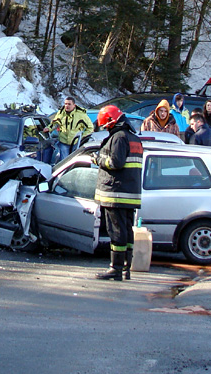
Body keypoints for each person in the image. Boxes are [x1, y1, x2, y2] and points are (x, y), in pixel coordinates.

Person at [92, 106, 144, 282]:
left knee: (116, 232)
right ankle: (125, 269)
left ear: (110, 122)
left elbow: (115, 163)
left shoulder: (118, 138)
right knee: (126, 231)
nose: (106, 129)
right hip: (129, 193)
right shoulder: (133, 138)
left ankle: (115, 268)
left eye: (105, 126)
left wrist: (97, 159)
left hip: (116, 194)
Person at [45, 97, 93, 163]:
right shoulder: (61, 113)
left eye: (69, 104)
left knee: (74, 161)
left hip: (76, 143)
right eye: (65, 104)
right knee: (64, 162)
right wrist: (49, 128)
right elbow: (55, 123)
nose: (67, 106)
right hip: (63, 142)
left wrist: (82, 137)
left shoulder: (81, 115)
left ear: (74, 105)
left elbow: (90, 128)